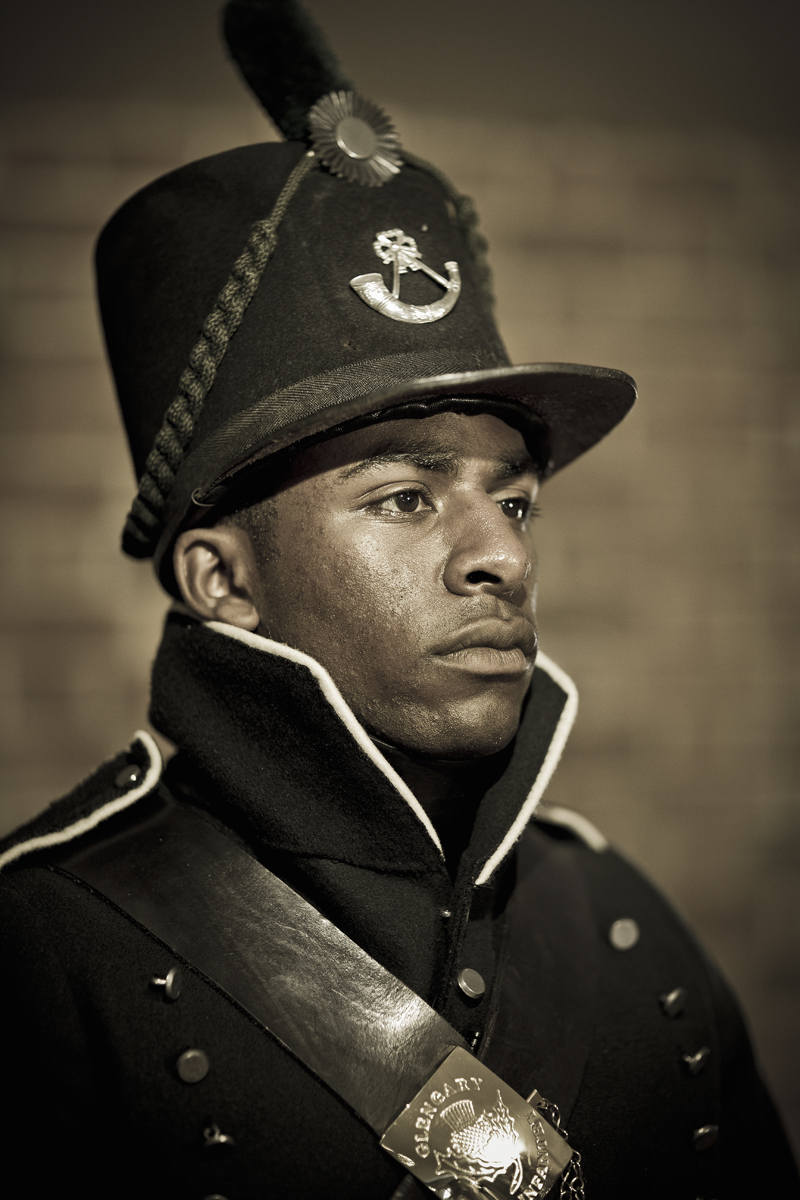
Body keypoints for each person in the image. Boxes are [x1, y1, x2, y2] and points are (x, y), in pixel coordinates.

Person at [0, 3, 797, 1198]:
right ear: (223, 580)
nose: (502, 560)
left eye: (513, 502)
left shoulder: (621, 916)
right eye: (405, 499)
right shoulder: (35, 949)